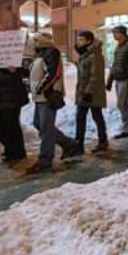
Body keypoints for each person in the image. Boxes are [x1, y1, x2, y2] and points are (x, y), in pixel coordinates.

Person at [28, 33, 78, 173]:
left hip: (48, 96)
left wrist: (40, 88)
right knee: (40, 125)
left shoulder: (51, 52)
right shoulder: (38, 55)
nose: (33, 43)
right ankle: (69, 144)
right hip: (39, 97)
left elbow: (54, 73)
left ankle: (45, 160)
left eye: (35, 40)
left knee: (46, 129)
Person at [0, 65, 28, 163]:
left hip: (12, 98)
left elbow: (26, 72)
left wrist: (13, 70)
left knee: (10, 125)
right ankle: (14, 150)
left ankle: (15, 152)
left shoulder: (14, 58)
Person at [73, 31, 108, 153]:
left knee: (88, 116)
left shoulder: (95, 56)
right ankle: (98, 142)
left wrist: (88, 92)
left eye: (81, 40)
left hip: (91, 93)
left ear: (89, 41)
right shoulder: (86, 54)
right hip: (85, 91)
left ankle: (81, 144)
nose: (78, 42)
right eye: (78, 39)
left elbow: (96, 76)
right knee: (91, 116)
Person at [107, 25, 128, 139]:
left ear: (122, 34)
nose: (114, 35)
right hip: (118, 78)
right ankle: (127, 128)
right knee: (122, 105)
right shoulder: (119, 46)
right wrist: (110, 80)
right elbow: (115, 64)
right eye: (113, 33)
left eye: (116, 33)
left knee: (121, 104)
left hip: (126, 79)